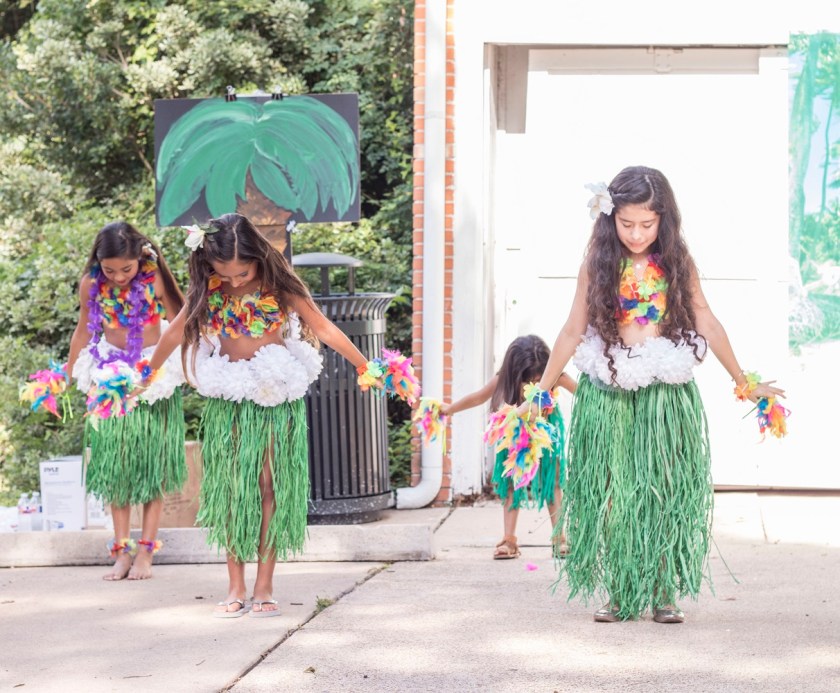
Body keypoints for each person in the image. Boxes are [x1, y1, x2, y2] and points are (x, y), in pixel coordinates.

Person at [528, 166, 785, 624]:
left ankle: (663, 591)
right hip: (609, 390)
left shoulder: (677, 263)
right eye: (626, 223)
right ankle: (621, 590)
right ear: (609, 217)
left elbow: (707, 322)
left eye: (646, 224)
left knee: (662, 488)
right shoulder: (597, 265)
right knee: (613, 494)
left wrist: (744, 381)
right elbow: (571, 330)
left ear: (664, 219)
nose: (636, 234)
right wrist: (541, 392)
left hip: (664, 392)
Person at [142, 213, 372, 618]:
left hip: (272, 397)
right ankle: (235, 584)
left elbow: (322, 327)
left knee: (268, 486)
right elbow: (175, 331)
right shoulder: (207, 292)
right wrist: (148, 372)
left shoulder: (280, 289)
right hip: (229, 397)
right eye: (223, 273)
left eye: (242, 272)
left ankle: (264, 584)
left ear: (258, 259)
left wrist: (362, 364)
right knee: (233, 489)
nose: (233, 281)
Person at [66, 221, 186, 581]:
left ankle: (146, 552)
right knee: (116, 467)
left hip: (152, 374)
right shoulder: (90, 284)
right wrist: (70, 374)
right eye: (109, 270)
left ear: (139, 259)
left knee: (152, 466)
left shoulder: (155, 279)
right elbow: (84, 329)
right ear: (98, 263)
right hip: (109, 374)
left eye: (127, 269)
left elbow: (180, 320)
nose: (118, 277)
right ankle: (121, 551)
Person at [441, 335, 577, 560]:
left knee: (552, 481)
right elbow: (478, 397)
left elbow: (580, 391)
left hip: (547, 429)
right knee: (512, 482)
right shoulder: (503, 378)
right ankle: (509, 539)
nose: (533, 385)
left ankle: (558, 537)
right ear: (514, 374)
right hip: (514, 431)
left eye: (538, 380)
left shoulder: (556, 375)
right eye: (527, 381)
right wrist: (449, 409)